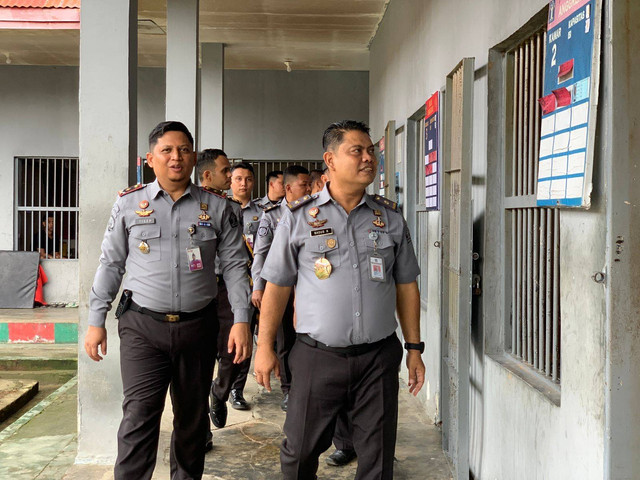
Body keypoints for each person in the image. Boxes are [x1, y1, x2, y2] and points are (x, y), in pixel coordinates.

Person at [254, 120, 425, 480]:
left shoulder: (390, 217)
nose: (368, 158)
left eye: (371, 151)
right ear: (330, 159)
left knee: (377, 461)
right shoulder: (298, 218)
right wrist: (265, 346)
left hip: (377, 358)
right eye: (357, 151)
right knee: (299, 453)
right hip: (318, 357)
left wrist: (413, 348)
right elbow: (279, 285)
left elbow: (406, 284)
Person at [83, 121, 252, 480]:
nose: (176, 157)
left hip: (198, 326)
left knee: (191, 422)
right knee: (139, 417)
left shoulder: (219, 207)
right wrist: (96, 319)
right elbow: (111, 264)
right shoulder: (130, 204)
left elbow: (237, 266)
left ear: (193, 157)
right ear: (150, 158)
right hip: (142, 327)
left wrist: (241, 319)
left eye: (184, 150)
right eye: (167, 150)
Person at [251, 165, 312, 411]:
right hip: (282, 290)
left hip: (307, 290)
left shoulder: (315, 213)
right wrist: (258, 288)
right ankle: (289, 389)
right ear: (288, 188)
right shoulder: (272, 215)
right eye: (303, 185)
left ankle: (307, 384)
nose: (309, 189)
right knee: (285, 341)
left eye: (310, 184)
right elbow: (261, 254)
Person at [209, 161, 262, 414]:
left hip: (243, 283)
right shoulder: (211, 208)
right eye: (237, 178)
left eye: (248, 179)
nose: (243, 183)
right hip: (209, 285)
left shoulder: (262, 212)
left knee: (238, 347)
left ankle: (226, 389)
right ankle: (203, 427)